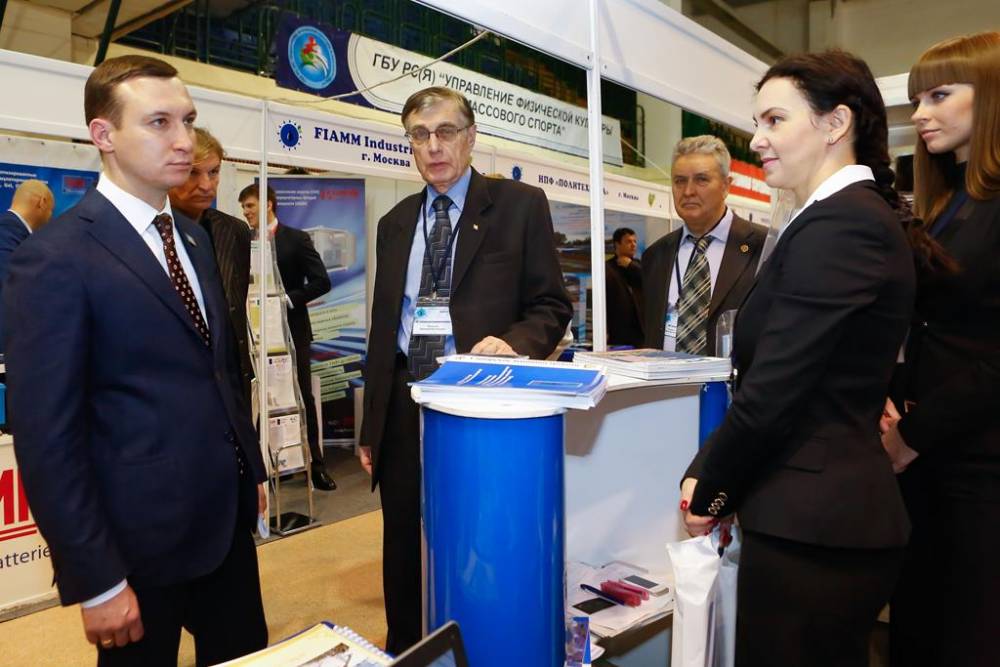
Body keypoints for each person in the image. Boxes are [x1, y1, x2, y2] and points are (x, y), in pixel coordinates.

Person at [4, 55, 267, 665]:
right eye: (159, 123)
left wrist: (248, 468)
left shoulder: (194, 238)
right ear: (104, 134)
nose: (183, 141)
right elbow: (46, 436)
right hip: (135, 544)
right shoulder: (56, 257)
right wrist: (94, 578)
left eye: (188, 120)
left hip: (224, 523)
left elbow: (217, 370)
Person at [679, 51, 915, 666]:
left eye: (775, 120)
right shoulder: (830, 221)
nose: (757, 139)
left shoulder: (843, 225)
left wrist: (711, 489)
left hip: (819, 530)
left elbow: (776, 388)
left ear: (836, 123)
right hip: (809, 521)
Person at [358, 86, 572, 653]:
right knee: (403, 546)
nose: (433, 146)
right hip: (405, 403)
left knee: (478, 540)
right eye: (420, 135)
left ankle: (476, 647)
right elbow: (384, 326)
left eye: (446, 132)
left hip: (480, 401)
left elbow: (551, 305)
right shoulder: (395, 222)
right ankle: (408, 651)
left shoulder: (519, 206)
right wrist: (371, 425)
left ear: (471, 138)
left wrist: (513, 343)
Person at [882, 31, 1000, 667]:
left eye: (939, 96)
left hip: (978, 463)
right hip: (929, 459)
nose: (921, 114)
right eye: (916, 100)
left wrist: (914, 432)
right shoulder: (950, 203)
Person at [238, 183, 336, 491]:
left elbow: (322, 281)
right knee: (258, 399)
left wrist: (287, 300)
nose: (246, 212)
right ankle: (266, 469)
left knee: (301, 395)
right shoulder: (242, 241)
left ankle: (315, 465)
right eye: (243, 207)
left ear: (267, 204)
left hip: (292, 330)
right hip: (254, 333)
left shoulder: (296, 239)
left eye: (250, 206)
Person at [642, 135, 766, 356]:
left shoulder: (763, 247)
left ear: (726, 186)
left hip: (737, 377)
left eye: (701, 180)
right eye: (679, 181)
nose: (688, 191)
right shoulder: (656, 255)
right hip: (664, 377)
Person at [168, 127, 253, 404]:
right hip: (170, 387)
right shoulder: (150, 231)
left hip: (227, 387)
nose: (206, 185)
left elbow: (235, 310)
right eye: (193, 172)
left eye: (214, 172)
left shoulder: (234, 231)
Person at [0, 179, 54, 351]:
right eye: (51, 211)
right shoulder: (7, 232)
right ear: (42, 202)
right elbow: (13, 283)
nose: (50, 217)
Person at [604, 226, 644, 347]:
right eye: (628, 241)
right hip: (618, 330)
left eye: (635, 241)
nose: (633, 245)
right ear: (617, 244)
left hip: (641, 330)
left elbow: (650, 282)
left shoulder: (638, 265)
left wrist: (631, 265)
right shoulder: (607, 268)